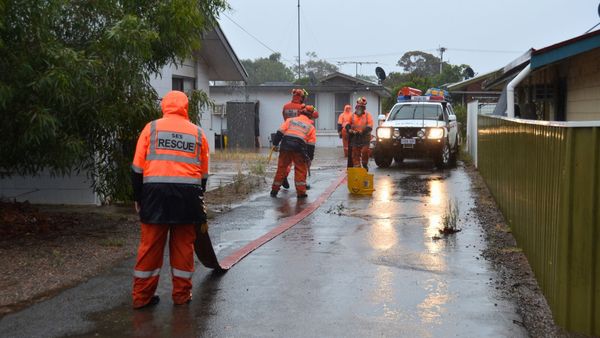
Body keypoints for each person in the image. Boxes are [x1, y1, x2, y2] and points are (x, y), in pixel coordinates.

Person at [130, 90, 209, 309]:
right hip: (188, 196)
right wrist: (198, 199)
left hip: (155, 195)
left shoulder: (151, 128)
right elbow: (203, 174)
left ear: (164, 106)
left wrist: (138, 197)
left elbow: (137, 168)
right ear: (186, 108)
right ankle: (182, 296)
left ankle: (141, 298)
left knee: (150, 246)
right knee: (183, 246)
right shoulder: (197, 132)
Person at [270, 104, 316, 198]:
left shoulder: (290, 120)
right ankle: (301, 193)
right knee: (300, 170)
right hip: (299, 149)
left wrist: (275, 144)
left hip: (285, 145)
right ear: (311, 116)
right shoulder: (311, 127)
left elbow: (280, 132)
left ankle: (274, 191)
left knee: (281, 168)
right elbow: (311, 145)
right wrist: (309, 159)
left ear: (301, 112)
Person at [280, 88, 308, 189]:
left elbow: (284, 119)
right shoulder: (302, 108)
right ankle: (302, 183)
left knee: (287, 160)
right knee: (301, 162)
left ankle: (283, 175)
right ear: (301, 97)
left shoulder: (285, 107)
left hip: (286, 136)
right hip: (299, 137)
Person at [346, 97, 373, 170]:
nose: (359, 109)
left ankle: (364, 164)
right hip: (355, 136)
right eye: (358, 107)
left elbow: (370, 126)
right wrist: (349, 130)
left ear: (364, 108)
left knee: (365, 151)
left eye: (361, 107)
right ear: (356, 107)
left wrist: (363, 131)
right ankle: (357, 167)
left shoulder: (368, 115)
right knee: (355, 153)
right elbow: (347, 124)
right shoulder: (352, 115)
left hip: (365, 137)